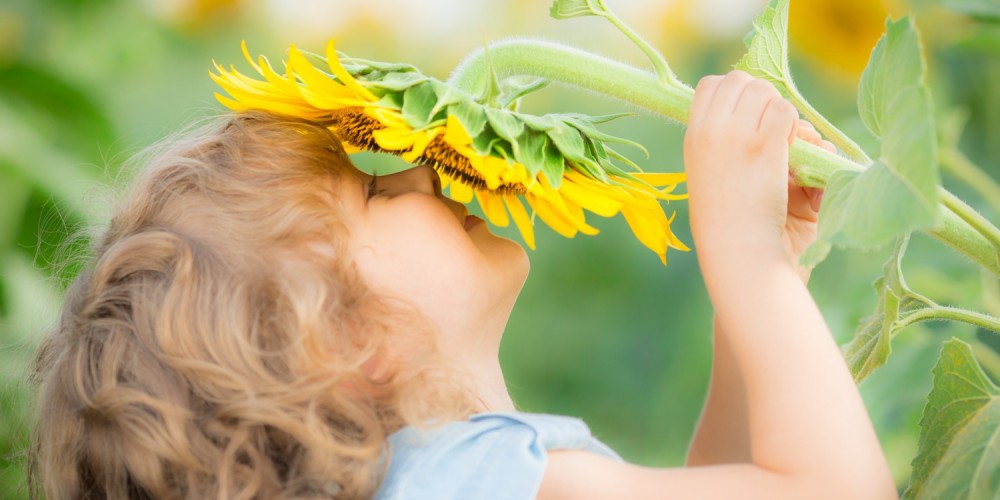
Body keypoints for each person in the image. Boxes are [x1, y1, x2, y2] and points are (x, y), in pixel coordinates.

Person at [29, 69, 896, 499]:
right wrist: (750, 261)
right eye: (372, 188)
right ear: (343, 340)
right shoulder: (469, 477)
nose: (422, 175)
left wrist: (748, 298)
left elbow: (742, 483)